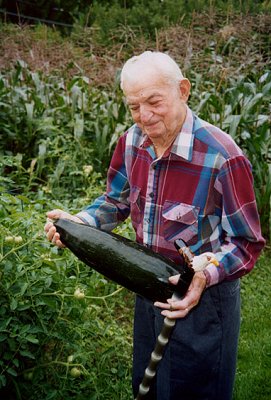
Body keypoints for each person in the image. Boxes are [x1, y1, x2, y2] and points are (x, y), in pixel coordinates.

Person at [45, 51, 265, 400]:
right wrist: (80, 223)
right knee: (147, 386)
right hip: (147, 284)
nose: (143, 117)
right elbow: (115, 202)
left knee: (195, 391)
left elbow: (246, 243)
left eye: (153, 102)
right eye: (134, 106)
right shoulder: (131, 142)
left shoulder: (224, 156)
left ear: (183, 90)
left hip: (205, 300)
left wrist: (204, 276)